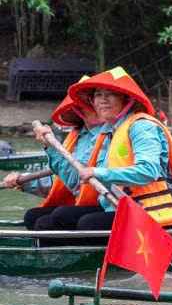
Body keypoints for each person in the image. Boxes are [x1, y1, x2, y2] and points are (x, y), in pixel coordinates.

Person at [33, 67, 172, 231]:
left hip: (150, 212)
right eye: (98, 95)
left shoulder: (142, 126)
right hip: (117, 206)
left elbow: (148, 171)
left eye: (110, 94)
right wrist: (50, 146)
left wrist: (98, 173)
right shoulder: (108, 132)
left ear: (127, 100)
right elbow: (76, 182)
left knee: (87, 223)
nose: (102, 100)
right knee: (55, 216)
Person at [5, 77, 107, 229]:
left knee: (57, 217)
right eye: (83, 105)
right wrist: (24, 181)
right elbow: (59, 180)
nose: (86, 108)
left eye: (88, 103)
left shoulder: (111, 132)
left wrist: (49, 146)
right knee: (33, 216)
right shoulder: (78, 135)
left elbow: (75, 179)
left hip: (105, 202)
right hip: (84, 199)